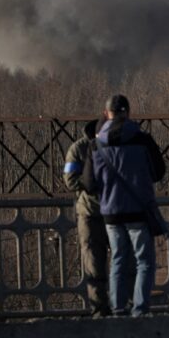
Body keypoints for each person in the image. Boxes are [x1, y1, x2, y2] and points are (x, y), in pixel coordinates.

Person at [83, 94, 166, 317]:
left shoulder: (95, 144)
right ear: (128, 112)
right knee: (144, 262)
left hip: (111, 212)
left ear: (106, 113)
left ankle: (118, 309)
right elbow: (158, 172)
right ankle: (140, 310)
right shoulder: (142, 139)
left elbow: (88, 184)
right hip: (138, 211)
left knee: (118, 259)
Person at [63, 118, 110, 316]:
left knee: (98, 264)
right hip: (93, 213)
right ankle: (101, 310)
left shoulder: (79, 148)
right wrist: (92, 183)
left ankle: (106, 309)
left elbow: (71, 180)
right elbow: (70, 180)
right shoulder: (79, 149)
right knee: (95, 266)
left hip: (98, 212)